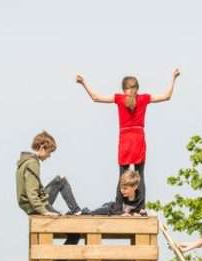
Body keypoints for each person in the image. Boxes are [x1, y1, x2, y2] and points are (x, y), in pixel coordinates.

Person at [75, 69, 180, 208]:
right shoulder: (144, 98)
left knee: (122, 174)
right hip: (138, 138)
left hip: (125, 138)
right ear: (137, 88)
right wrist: (173, 78)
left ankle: (119, 206)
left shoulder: (119, 98)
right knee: (140, 174)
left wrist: (83, 83)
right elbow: (167, 96)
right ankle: (141, 207)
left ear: (124, 89)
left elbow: (95, 98)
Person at [16, 130, 82, 261]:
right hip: (36, 206)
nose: (49, 156)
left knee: (61, 181)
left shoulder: (26, 161)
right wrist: (44, 212)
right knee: (75, 234)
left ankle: (77, 211)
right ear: (43, 147)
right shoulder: (32, 163)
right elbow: (32, 192)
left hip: (38, 201)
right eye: (50, 152)